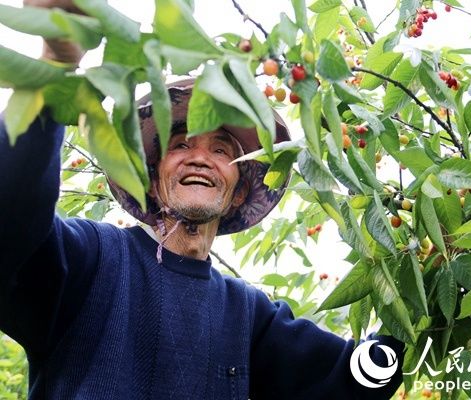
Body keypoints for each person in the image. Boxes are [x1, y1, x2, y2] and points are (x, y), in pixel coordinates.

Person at [0, 1, 406, 399]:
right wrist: (55, 63)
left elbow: (353, 378)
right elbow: (12, 217)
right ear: (151, 181)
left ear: (240, 191)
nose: (199, 157)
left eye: (222, 150)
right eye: (180, 144)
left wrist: (416, 294)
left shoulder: (247, 315)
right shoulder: (91, 259)